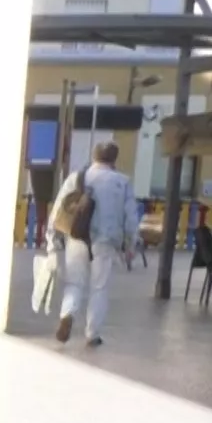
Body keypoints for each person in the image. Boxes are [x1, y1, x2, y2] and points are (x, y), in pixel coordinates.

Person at [50, 140, 139, 347]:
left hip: (77, 236)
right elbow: (131, 217)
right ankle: (92, 334)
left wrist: (52, 242)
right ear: (114, 159)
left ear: (93, 156)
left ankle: (67, 313)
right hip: (106, 242)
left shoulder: (77, 177)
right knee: (99, 287)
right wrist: (131, 243)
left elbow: (58, 210)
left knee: (74, 282)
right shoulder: (122, 182)